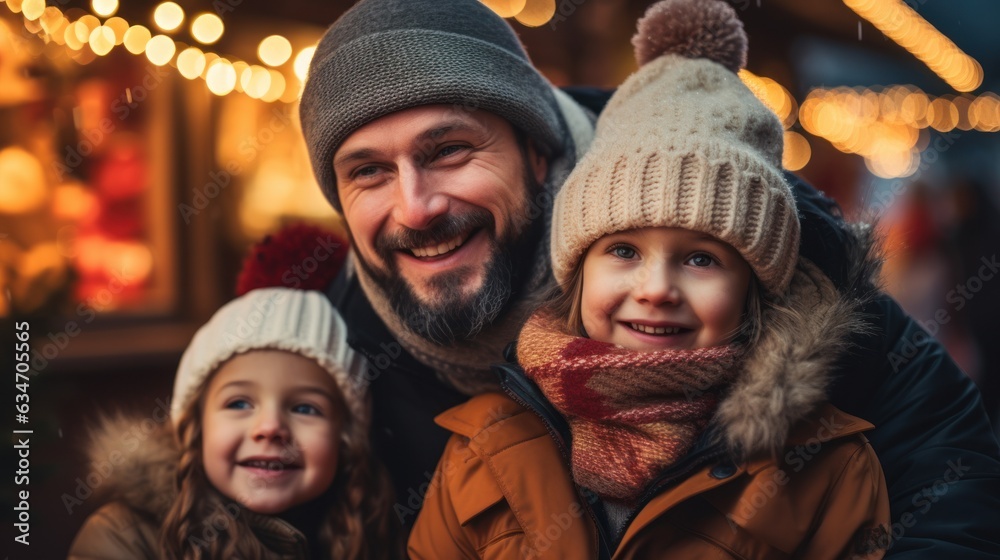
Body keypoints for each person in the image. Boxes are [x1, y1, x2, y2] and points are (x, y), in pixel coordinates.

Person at [296, 0, 1000, 556]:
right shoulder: (329, 348)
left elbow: (949, 474)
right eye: (368, 171)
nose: (416, 207)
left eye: (448, 150)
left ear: (539, 154)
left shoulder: (754, 232)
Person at [407, 1, 890, 557]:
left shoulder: (826, 469)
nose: (656, 288)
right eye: (623, 250)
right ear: (577, 272)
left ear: (754, 286)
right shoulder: (483, 449)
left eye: (702, 259)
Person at [68, 288, 399, 559]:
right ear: (196, 429)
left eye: (305, 408)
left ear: (345, 437)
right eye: (239, 403)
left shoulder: (376, 534)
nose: (269, 427)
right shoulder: (123, 538)